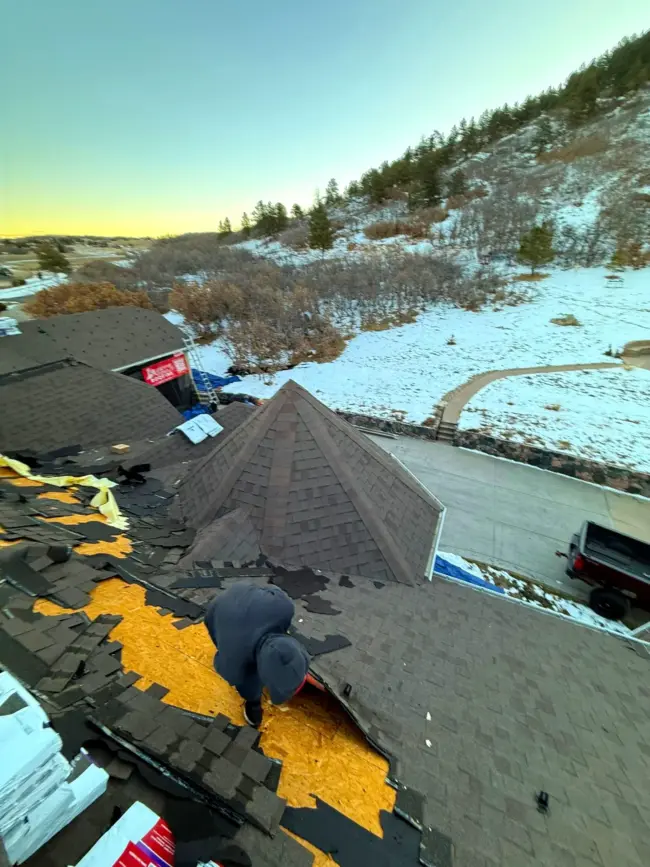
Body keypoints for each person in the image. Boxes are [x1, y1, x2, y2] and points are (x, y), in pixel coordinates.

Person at [204, 582, 310, 728]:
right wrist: (252, 694)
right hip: (220, 609)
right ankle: (252, 704)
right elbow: (223, 665)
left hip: (246, 593)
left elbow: (274, 590)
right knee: (247, 682)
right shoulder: (234, 659)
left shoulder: (285, 607)